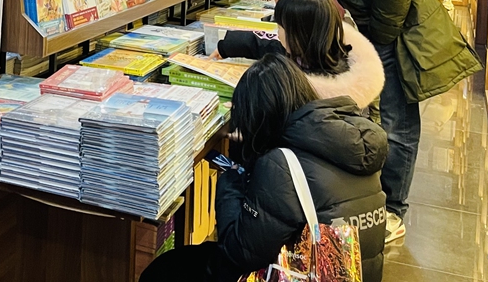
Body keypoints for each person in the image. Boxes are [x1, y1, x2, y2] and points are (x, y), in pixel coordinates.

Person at [256, 0, 480, 241]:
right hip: (380, 32)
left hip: (401, 31)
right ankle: (381, 199)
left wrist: (381, 36)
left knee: (399, 120)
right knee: (387, 116)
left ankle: (393, 211)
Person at [138, 55, 388, 282]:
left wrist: (231, 180)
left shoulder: (281, 165)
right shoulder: (351, 142)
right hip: (355, 274)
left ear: (260, 116)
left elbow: (239, 252)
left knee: (164, 270)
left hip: (305, 273)